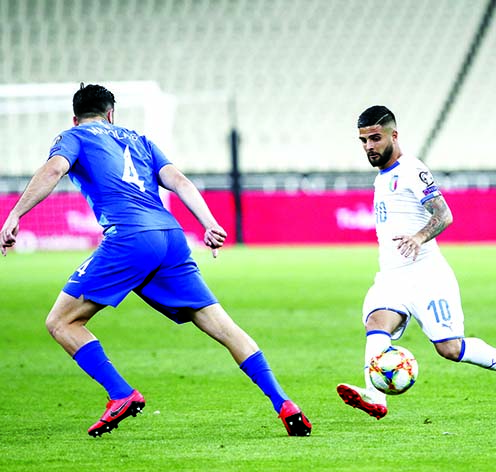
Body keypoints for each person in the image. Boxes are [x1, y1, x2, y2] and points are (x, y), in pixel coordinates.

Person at [0, 84, 311, 437]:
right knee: (222, 326)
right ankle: (284, 402)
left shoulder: (75, 136)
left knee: (61, 322)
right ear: (111, 113)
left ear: (76, 117)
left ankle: (121, 393)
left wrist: (15, 214)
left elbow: (54, 170)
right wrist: (209, 223)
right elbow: (178, 180)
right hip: (171, 237)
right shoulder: (140, 140)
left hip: (129, 238)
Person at [336, 105, 496, 419]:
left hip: (426, 275)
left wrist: (418, 237)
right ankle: (376, 396)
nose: (369, 146)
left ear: (393, 135)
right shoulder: (382, 177)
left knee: (450, 349)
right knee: (376, 323)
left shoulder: (411, 169)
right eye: (363, 140)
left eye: (375, 138)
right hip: (392, 277)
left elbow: (444, 214)